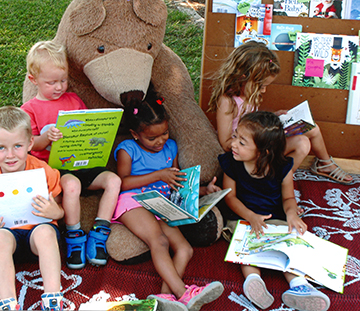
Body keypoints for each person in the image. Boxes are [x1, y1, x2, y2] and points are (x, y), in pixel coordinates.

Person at [113, 85, 224, 311]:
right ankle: (184, 293)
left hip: (162, 205)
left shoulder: (170, 147)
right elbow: (122, 182)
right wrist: (158, 175)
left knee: (185, 249)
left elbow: (176, 183)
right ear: (135, 134)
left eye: (164, 133)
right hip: (133, 201)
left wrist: (203, 192)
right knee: (160, 242)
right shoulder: (127, 148)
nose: (160, 140)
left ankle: (164, 298)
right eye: (152, 137)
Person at [21, 41, 121, 269]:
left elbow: (86, 128)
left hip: (84, 162)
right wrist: (47, 139)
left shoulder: (74, 100)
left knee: (114, 180)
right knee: (73, 186)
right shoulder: (29, 109)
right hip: (57, 169)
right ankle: (74, 236)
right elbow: (28, 143)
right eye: (51, 82)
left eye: (63, 80)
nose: (58, 87)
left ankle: (100, 232)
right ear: (33, 79)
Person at [219, 111, 330, 311]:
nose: (233, 143)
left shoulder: (281, 167)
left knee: (290, 243)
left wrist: (292, 214)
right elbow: (230, 197)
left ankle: (299, 286)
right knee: (248, 248)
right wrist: (251, 217)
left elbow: (288, 198)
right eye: (236, 136)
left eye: (242, 142)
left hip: (274, 216)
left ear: (264, 152)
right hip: (242, 217)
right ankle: (253, 280)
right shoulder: (231, 163)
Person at [208, 41, 352, 184]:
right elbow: (226, 144)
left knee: (308, 133)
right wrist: (256, 140)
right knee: (303, 142)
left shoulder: (250, 95)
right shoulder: (227, 101)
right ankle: (274, 182)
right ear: (242, 76)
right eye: (261, 86)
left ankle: (288, 177)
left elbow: (250, 121)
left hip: (260, 143)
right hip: (248, 152)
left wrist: (273, 118)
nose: (263, 91)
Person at [0, 106, 65, 310]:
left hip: (37, 240)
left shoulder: (42, 170)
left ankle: (53, 296)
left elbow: (59, 208)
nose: (10, 155)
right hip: (6, 238)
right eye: (1, 148)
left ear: (30, 143)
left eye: (18, 146)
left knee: (46, 231)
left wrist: (55, 213)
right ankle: (8, 302)